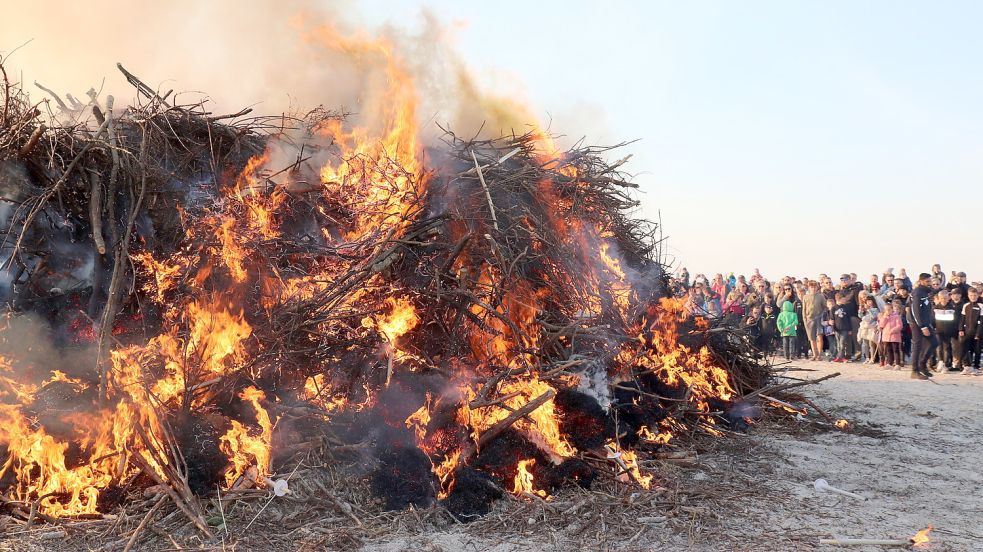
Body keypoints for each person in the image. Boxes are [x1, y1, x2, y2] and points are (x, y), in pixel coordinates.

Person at [907, 273, 938, 380]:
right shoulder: (917, 292)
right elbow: (915, 311)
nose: (929, 283)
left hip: (925, 322)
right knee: (917, 345)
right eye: (927, 282)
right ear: (921, 281)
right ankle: (914, 371)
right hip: (917, 323)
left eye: (930, 281)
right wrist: (922, 326)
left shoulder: (926, 291)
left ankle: (922, 364)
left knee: (934, 342)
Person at [958, 287, 983, 375]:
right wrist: (961, 329)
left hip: (977, 333)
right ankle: (967, 366)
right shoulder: (966, 305)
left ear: (978, 295)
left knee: (977, 350)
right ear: (968, 296)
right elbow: (962, 318)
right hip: (967, 331)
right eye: (971, 295)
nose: (973, 297)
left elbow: (981, 322)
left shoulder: (981, 306)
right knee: (965, 349)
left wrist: (978, 333)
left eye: (975, 295)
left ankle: (976, 367)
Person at [932, 290, 959, 372]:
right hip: (938, 331)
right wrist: (933, 328)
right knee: (939, 347)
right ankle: (940, 362)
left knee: (947, 348)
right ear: (939, 298)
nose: (943, 299)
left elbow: (956, 321)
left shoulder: (953, 308)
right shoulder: (935, 308)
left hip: (949, 331)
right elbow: (932, 320)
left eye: (945, 298)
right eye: (941, 298)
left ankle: (946, 364)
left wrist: (954, 331)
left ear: (948, 298)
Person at [802, 280, 826, 361]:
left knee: (819, 336)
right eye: (811, 287)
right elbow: (804, 309)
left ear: (817, 287)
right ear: (809, 287)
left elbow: (825, 307)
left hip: (818, 318)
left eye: (815, 287)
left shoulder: (821, 296)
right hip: (809, 319)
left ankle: (819, 355)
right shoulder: (805, 297)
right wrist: (805, 319)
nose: (813, 288)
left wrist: (822, 316)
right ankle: (815, 355)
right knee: (812, 338)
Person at [878, 302, 903, 368]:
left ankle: (897, 364)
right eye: (886, 310)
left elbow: (899, 326)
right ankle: (889, 363)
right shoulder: (884, 317)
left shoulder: (897, 316)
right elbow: (881, 325)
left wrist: (892, 331)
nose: (888, 311)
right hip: (886, 337)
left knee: (896, 350)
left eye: (889, 309)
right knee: (888, 350)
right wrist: (884, 318)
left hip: (894, 336)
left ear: (892, 309)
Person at [832, 293, 853, 363]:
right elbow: (832, 319)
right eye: (843, 299)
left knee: (842, 343)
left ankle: (841, 357)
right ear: (839, 299)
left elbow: (849, 319)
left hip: (845, 328)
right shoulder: (833, 308)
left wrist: (850, 329)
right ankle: (840, 357)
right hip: (837, 329)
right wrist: (833, 328)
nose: (845, 300)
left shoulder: (846, 307)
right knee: (838, 344)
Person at [858, 297, 880, 364]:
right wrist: (861, 311)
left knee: (871, 343)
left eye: (870, 301)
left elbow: (874, 317)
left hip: (872, 327)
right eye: (867, 301)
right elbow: (860, 316)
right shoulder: (865, 309)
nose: (869, 302)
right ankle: (867, 357)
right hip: (864, 327)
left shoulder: (875, 309)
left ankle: (872, 358)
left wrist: (869, 310)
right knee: (865, 343)